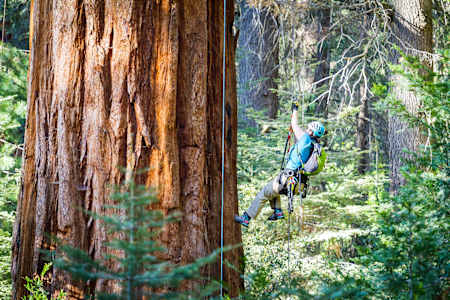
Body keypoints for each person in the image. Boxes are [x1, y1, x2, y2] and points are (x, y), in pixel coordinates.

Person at [234, 103, 325, 227]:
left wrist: (295, 110)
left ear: (311, 131)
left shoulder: (305, 139)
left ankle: (246, 217)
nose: (306, 130)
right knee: (272, 188)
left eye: (308, 129)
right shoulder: (314, 146)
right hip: (299, 184)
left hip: (288, 180)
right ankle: (277, 211)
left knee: (264, 193)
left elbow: (294, 124)